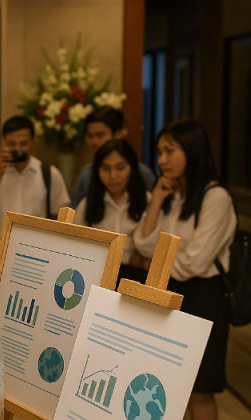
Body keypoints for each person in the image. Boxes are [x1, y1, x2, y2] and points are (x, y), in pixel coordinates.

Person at [133, 119, 235, 420]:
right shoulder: (174, 195)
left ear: (192, 150)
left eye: (169, 151)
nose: (161, 159)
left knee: (199, 391)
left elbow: (194, 263)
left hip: (204, 299)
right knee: (171, 385)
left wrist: (156, 261)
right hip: (172, 294)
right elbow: (142, 242)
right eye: (159, 152)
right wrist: (158, 199)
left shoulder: (216, 197)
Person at [0, 116, 70, 293]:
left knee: (34, 303)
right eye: (11, 144)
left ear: (33, 142)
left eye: (23, 143)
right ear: (4, 143)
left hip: (38, 252)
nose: (18, 149)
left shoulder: (49, 174)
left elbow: (62, 214)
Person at [73, 139, 150, 286]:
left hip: (136, 279)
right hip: (95, 277)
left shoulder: (148, 201)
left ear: (132, 168)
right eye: (106, 169)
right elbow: (75, 248)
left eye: (120, 168)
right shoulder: (87, 204)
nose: (113, 176)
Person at [70, 107, 156, 208]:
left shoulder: (142, 173)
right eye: (90, 136)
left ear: (118, 135)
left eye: (100, 135)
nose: (94, 142)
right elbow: (74, 215)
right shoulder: (86, 174)